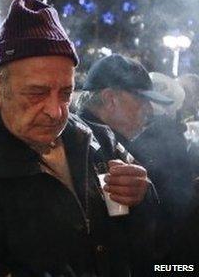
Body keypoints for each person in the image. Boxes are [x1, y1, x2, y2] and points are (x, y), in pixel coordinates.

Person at [0, 0, 154, 276]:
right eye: (37, 93)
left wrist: (141, 194)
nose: (56, 112)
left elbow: (146, 240)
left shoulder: (98, 140)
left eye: (66, 94)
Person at [79, 57, 194, 263]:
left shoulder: (114, 145)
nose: (149, 110)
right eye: (141, 100)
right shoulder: (87, 147)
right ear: (110, 99)